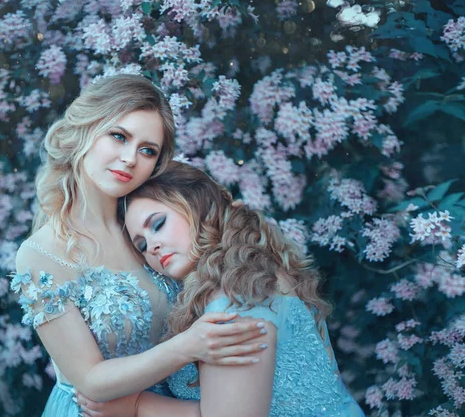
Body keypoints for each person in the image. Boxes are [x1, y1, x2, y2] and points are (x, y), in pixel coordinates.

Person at [10, 75, 270, 417]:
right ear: (86, 130)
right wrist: (189, 346)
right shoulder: (41, 254)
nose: (130, 158)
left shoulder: (151, 229)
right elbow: (89, 380)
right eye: (119, 136)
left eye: (148, 150)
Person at [78, 161, 365, 417]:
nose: (151, 246)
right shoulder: (253, 269)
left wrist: (138, 406)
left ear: (198, 206)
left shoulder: (237, 293)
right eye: (140, 245)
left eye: (158, 224)